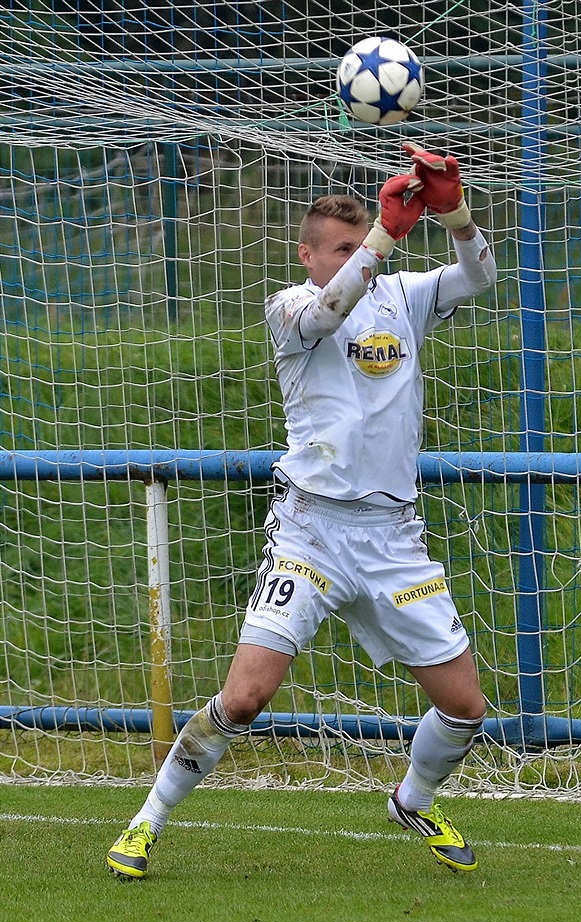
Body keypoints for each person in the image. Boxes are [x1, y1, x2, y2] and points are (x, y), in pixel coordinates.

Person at [107, 143, 497, 879]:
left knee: (466, 708)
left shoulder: (404, 296)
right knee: (246, 697)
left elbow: (481, 275)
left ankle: (413, 798)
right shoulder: (290, 307)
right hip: (311, 533)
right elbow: (328, 312)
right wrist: (383, 237)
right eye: (341, 247)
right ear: (309, 254)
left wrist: (454, 212)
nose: (357, 255)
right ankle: (144, 823)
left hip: (392, 539)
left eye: (362, 242)